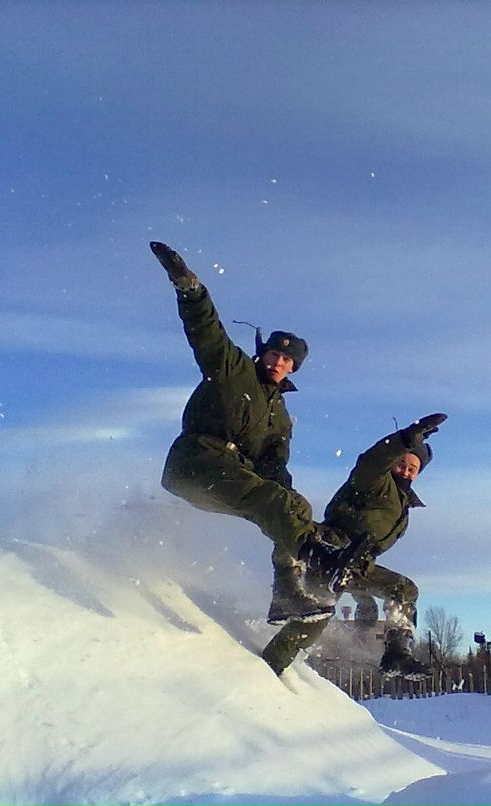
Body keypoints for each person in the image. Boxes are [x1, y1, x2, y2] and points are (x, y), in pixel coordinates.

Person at [150, 241, 349, 622]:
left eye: (287, 360)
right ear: (264, 352)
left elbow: (276, 471)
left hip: (229, 477)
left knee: (292, 503)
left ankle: (288, 593)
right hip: (196, 462)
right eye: (275, 353)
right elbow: (207, 331)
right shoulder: (232, 368)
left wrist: (310, 525)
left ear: (294, 368)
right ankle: (319, 562)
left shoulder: (280, 418)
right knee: (275, 501)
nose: (279, 362)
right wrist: (191, 290)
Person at [261, 413, 446, 678]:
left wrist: (363, 597)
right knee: (316, 614)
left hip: (357, 564)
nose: (405, 471)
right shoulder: (375, 482)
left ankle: (397, 653)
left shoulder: (402, 505)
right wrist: (403, 440)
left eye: (412, 468)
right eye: (402, 463)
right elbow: (371, 462)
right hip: (331, 551)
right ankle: (269, 666)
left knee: (403, 589)